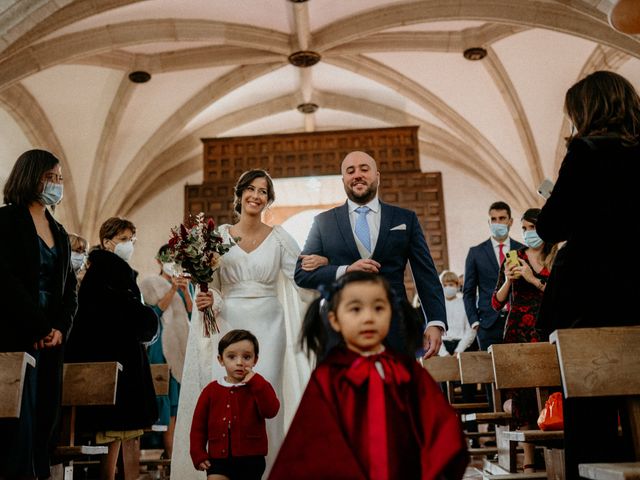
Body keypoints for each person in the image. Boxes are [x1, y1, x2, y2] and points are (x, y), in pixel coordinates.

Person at [172, 169, 326, 479]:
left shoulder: (280, 237)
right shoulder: (219, 237)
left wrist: (322, 268)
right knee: (227, 394)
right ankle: (226, 470)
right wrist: (208, 299)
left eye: (264, 191)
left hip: (270, 325)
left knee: (263, 395)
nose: (257, 195)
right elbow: (212, 286)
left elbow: (301, 281)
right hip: (229, 324)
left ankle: (267, 471)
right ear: (240, 194)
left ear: (269, 200)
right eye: (251, 189)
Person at [536, 70, 640, 479]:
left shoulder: (586, 151)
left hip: (591, 296)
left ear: (588, 110)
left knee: (591, 407)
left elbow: (550, 226)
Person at [270, 272, 468, 480]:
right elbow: (311, 442)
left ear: (391, 313)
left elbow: (441, 429)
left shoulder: (407, 373)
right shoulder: (328, 377)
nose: (368, 317)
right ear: (334, 320)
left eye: (378, 308)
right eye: (355, 309)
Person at [294, 150, 446, 358]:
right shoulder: (323, 222)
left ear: (377, 176)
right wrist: (345, 270)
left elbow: (425, 274)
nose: (357, 174)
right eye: (350, 171)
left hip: (395, 323)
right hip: (343, 326)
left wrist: (435, 322)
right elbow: (302, 275)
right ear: (344, 180)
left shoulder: (405, 219)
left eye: (364, 169)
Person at [0, 149, 77, 480]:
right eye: (51, 177)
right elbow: (4, 279)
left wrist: (59, 326)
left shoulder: (58, 231)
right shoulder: (6, 220)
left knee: (45, 415)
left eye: (60, 179)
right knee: (19, 418)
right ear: (30, 176)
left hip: (51, 338)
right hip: (17, 329)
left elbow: (71, 290)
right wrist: (39, 324)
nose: (56, 184)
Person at [65, 217, 159, 480]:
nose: (130, 245)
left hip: (116, 361)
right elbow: (125, 314)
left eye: (132, 240)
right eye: (124, 240)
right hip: (112, 363)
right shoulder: (110, 272)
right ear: (108, 242)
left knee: (116, 438)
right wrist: (148, 320)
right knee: (112, 436)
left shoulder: (108, 271)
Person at [491, 208, 556, 472]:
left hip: (546, 329)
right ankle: (529, 458)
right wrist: (508, 279)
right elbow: (496, 303)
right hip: (518, 331)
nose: (528, 233)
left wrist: (533, 279)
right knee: (524, 396)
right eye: (525, 228)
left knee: (552, 391)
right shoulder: (513, 256)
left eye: (533, 228)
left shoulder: (556, 257)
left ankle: (555, 454)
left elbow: (560, 296)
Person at [190, 330, 279, 480]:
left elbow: (271, 411)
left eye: (246, 357)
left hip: (251, 460)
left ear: (255, 360)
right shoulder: (210, 391)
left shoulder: (259, 386)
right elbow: (198, 426)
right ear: (221, 360)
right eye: (231, 357)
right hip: (218, 459)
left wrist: (256, 382)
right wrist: (197, 452)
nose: (239, 363)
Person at [140, 244, 195, 458]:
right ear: (159, 261)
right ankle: (169, 454)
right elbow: (155, 311)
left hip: (183, 348)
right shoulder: (150, 284)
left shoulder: (185, 283)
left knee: (181, 405)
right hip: (161, 347)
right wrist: (172, 289)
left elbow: (192, 316)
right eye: (169, 259)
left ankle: (180, 457)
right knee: (167, 402)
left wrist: (184, 291)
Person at [463, 201, 525, 352]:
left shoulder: (522, 249)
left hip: (518, 320)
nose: (498, 222)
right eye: (494, 219)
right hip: (488, 323)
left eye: (502, 218)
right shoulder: (476, 253)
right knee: (491, 371)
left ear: (510, 221)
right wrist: (474, 322)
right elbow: (468, 292)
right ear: (489, 222)